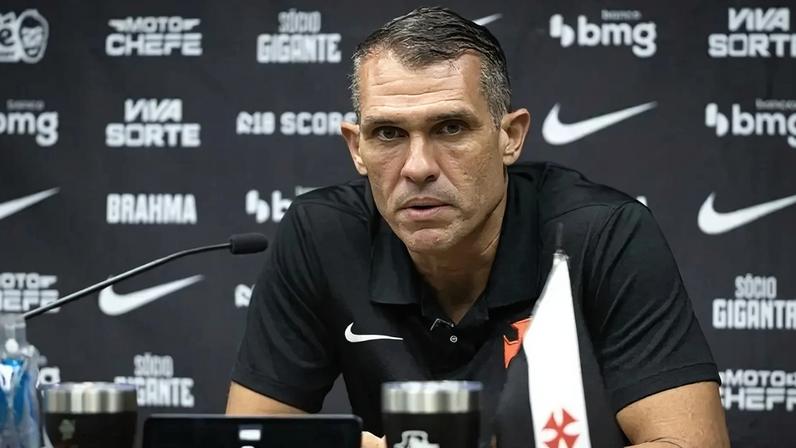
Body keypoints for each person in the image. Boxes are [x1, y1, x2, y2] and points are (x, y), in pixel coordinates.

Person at [227, 7, 730, 448]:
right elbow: (250, 438)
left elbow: (686, 441)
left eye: (450, 128)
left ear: (509, 136)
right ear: (356, 148)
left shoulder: (602, 233)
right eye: (388, 133)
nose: (418, 166)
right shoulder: (321, 234)